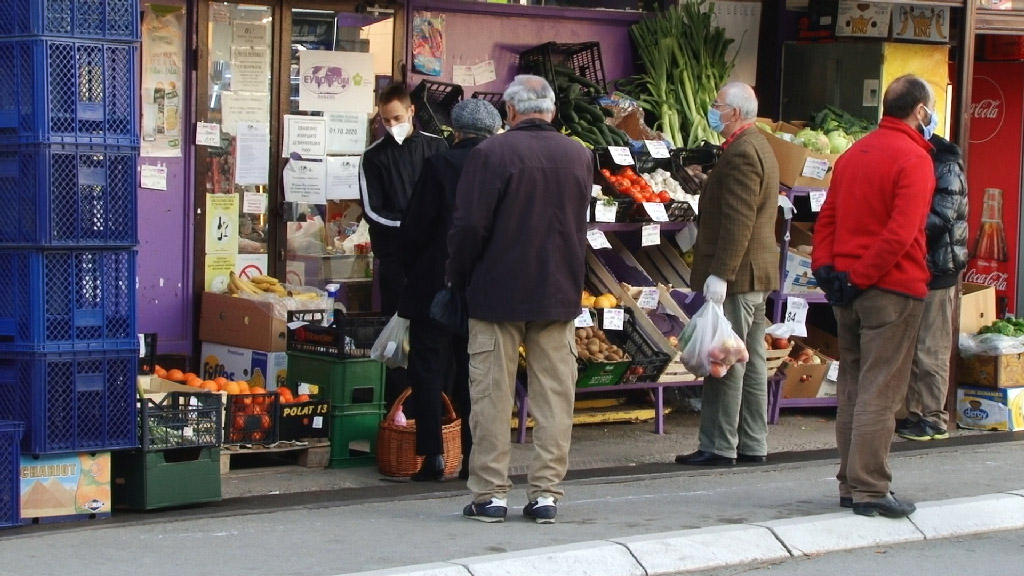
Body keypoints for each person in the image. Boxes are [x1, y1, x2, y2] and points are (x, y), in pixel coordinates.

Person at [446, 75, 592, 524]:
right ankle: (546, 493)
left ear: (509, 111)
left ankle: (490, 495)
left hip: (497, 290)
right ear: (552, 110)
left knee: (491, 395)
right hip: (558, 290)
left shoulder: (491, 152)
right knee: (554, 397)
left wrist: (457, 276)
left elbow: (469, 226)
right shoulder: (579, 155)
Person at [811, 75, 937, 519]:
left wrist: (828, 270)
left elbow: (828, 218)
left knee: (852, 387)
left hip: (847, 288)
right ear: (920, 110)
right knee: (880, 392)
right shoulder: (915, 159)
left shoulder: (852, 155)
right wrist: (863, 276)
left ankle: (849, 483)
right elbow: (902, 233)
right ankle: (870, 489)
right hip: (891, 288)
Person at [674, 82, 780, 468]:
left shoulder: (742, 154)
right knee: (750, 363)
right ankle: (752, 442)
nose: (712, 109)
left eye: (717, 105)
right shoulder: (756, 145)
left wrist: (720, 275)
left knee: (724, 359)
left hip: (739, 276)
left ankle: (718, 445)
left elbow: (739, 221)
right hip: (756, 273)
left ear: (734, 112)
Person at [397, 99, 502, 482]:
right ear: (491, 133)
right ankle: (473, 456)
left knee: (427, 370)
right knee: (474, 372)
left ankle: (433, 457)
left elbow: (414, 229)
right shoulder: (499, 168)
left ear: (455, 132)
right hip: (483, 288)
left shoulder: (439, 165)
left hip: (434, 287)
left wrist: (416, 270)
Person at [359, 84, 448, 408]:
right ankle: (398, 410)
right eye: (385, 120)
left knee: (435, 334)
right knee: (397, 334)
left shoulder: (438, 149)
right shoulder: (373, 156)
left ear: (411, 111)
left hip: (434, 260)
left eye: (396, 117)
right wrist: (413, 228)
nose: (391, 125)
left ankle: (437, 407)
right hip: (396, 260)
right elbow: (372, 210)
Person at [897, 134, 968, 442]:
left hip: (938, 269)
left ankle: (934, 418)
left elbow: (940, 217)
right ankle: (915, 413)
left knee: (931, 348)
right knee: (914, 347)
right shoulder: (923, 158)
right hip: (918, 266)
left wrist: (899, 224)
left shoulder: (946, 163)